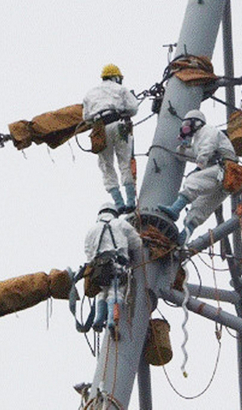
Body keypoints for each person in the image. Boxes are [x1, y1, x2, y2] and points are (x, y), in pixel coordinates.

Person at [159, 109, 239, 245]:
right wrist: (182, 148)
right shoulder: (198, 139)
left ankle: (175, 209)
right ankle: (185, 236)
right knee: (201, 207)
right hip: (228, 179)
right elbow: (196, 152)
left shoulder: (207, 130)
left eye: (188, 123)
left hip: (225, 170)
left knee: (193, 180)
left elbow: (206, 149)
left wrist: (199, 167)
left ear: (196, 122)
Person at [83, 64, 140, 213]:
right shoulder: (120, 89)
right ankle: (130, 201)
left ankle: (119, 203)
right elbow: (133, 108)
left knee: (106, 165)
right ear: (116, 77)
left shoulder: (90, 94)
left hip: (100, 129)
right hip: (119, 125)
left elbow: (86, 117)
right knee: (125, 161)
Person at [84, 202, 143, 334]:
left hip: (98, 267)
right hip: (117, 263)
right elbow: (136, 243)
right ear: (114, 213)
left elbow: (88, 251)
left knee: (102, 292)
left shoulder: (92, 229)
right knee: (116, 291)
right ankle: (111, 319)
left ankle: (99, 318)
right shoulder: (120, 224)